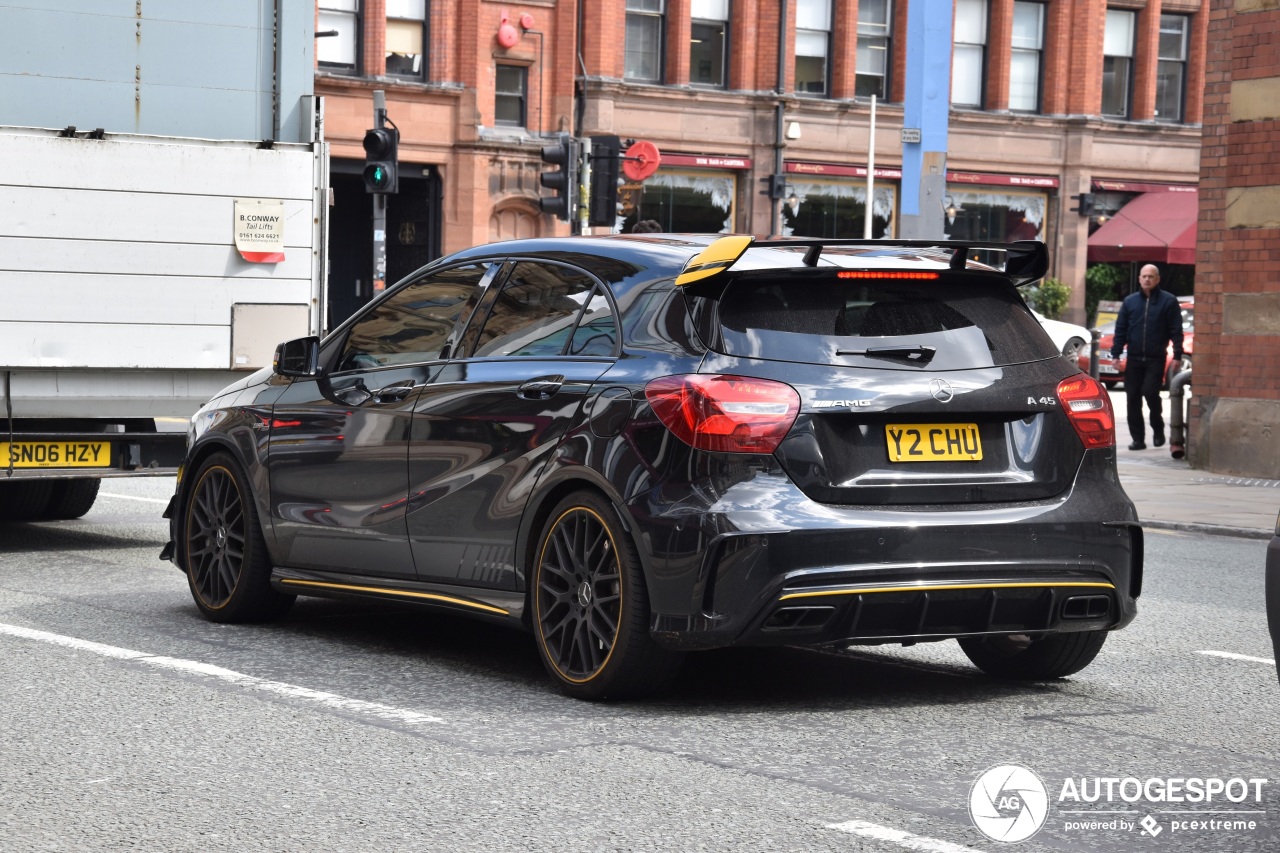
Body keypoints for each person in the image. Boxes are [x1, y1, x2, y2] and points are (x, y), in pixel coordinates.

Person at [1110, 264, 1184, 450]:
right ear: (1139, 279)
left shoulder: (1168, 301)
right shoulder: (1130, 302)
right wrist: (1116, 354)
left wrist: (1177, 354)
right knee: (1132, 397)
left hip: (1156, 357)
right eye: (1144, 276)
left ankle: (1158, 429)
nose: (1147, 279)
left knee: (1150, 392)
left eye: (1151, 276)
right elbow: (1121, 330)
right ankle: (1138, 439)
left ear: (1157, 279)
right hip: (1134, 358)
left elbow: (1176, 330)